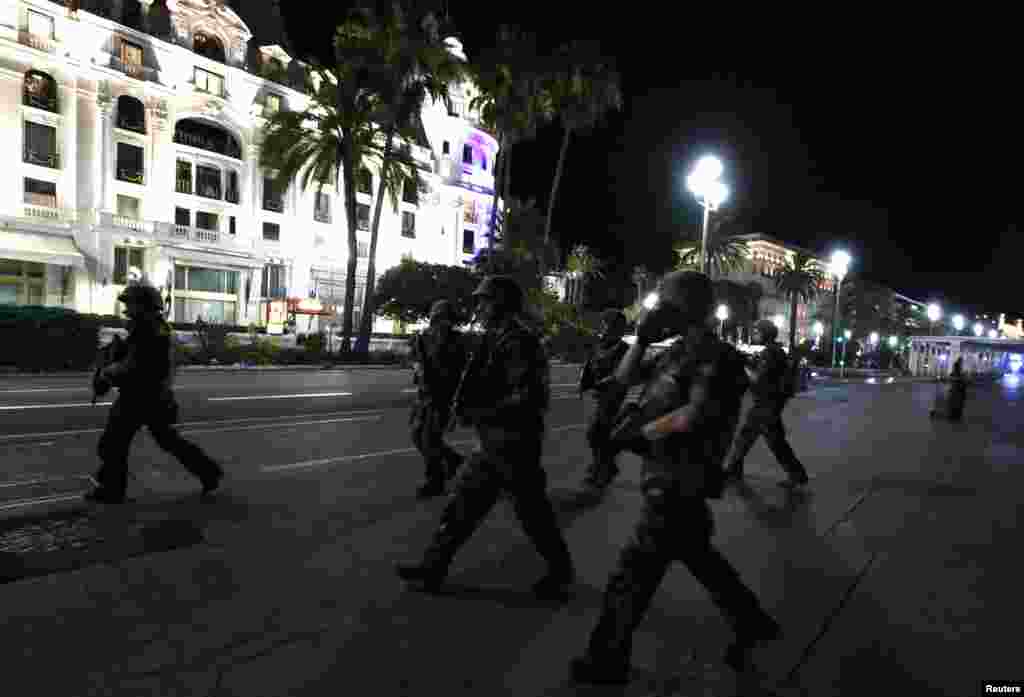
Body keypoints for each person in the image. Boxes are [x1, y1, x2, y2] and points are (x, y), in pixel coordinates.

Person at [570, 271, 779, 685]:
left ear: (683, 304)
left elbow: (695, 415)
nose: (657, 306)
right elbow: (624, 380)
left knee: (630, 576)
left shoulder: (717, 357)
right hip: (665, 476)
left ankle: (607, 660)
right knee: (700, 557)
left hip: (682, 478)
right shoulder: (676, 351)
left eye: (664, 299)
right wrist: (642, 339)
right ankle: (752, 623)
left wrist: (642, 432)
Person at [395, 275, 574, 601]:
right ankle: (433, 567)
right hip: (492, 442)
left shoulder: (519, 341)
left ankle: (561, 571)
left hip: (515, 443)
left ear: (501, 303)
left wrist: (482, 412)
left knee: (533, 514)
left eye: (485, 300)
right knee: (461, 505)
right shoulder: (494, 338)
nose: (479, 307)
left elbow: (528, 397)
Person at [84, 283, 224, 504]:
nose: (126, 309)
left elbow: (134, 366)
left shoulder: (147, 331)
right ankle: (209, 472)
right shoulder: (154, 328)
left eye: (131, 304)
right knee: (167, 441)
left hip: (141, 397)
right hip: (154, 396)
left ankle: (112, 490)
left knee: (113, 443)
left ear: (144, 306)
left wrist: (107, 373)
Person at [723, 319, 810, 489]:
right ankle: (734, 469)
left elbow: (758, 379)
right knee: (749, 437)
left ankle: (797, 475)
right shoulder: (774, 351)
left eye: (757, 332)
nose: (754, 334)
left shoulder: (771, 353)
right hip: (768, 404)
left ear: (765, 333)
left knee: (771, 441)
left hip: (766, 404)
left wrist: (743, 366)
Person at [409, 299, 467, 498]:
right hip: (424, 395)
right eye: (439, 317)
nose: (443, 322)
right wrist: (418, 369)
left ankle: (436, 480)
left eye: (446, 318)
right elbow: (416, 362)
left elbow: (458, 370)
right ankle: (452, 459)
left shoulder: (455, 340)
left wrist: (456, 402)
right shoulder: (424, 338)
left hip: (443, 396)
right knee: (417, 436)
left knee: (429, 440)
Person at [579, 308, 631, 491]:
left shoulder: (624, 348)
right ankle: (603, 467)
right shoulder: (599, 344)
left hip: (614, 394)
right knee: (599, 433)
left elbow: (625, 372)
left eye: (610, 325)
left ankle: (604, 469)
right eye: (605, 324)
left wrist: (607, 382)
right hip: (600, 393)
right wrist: (585, 383)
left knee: (597, 431)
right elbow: (590, 364)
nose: (605, 328)